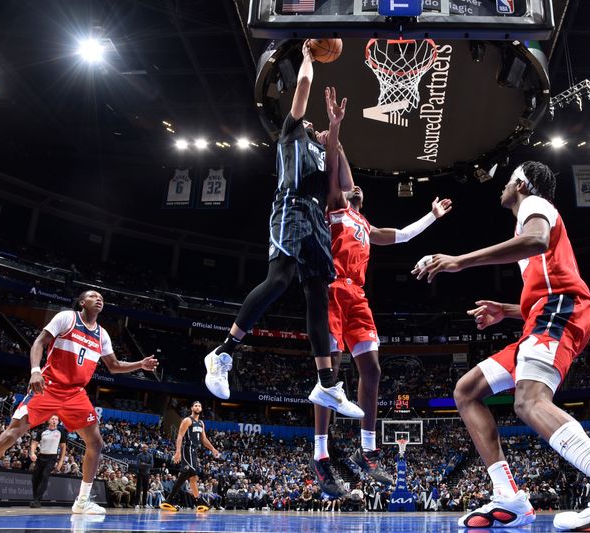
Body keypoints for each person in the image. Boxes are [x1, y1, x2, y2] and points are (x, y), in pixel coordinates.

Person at [413, 161, 590, 530]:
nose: (502, 188)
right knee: (467, 391)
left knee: (529, 401)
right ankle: (509, 498)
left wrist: (459, 262)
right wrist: (508, 310)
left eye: (507, 182)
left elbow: (536, 242)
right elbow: (542, 283)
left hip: (561, 308)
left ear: (520, 183)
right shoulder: (528, 220)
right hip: (542, 315)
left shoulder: (535, 205)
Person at [202, 40, 362, 422]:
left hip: (316, 220)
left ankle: (326, 384)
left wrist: (336, 135)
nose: (314, 124)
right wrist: (307, 58)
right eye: (313, 122)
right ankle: (223, 352)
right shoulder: (291, 134)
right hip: (289, 207)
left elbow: (345, 190)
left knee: (317, 296)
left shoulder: (325, 152)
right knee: (279, 279)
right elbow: (303, 90)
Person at [311, 184, 453, 495]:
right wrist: (335, 137)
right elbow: (337, 172)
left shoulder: (366, 225)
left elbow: (403, 234)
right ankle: (320, 454)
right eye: (351, 188)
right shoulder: (335, 212)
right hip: (332, 288)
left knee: (372, 370)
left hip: (358, 296)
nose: (357, 188)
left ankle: (368, 451)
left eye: (360, 189)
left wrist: (432, 215)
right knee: (330, 373)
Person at [0, 289, 158, 514]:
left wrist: (140, 364)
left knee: (96, 443)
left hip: (75, 394)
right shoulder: (67, 318)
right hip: (48, 386)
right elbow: (39, 342)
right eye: (93, 296)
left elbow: (114, 366)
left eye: (101, 298)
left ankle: (81, 501)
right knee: (12, 434)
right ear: (82, 302)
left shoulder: (102, 334)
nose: (99, 299)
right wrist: (34, 370)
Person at [160, 401, 220, 513]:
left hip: (194, 451)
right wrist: (177, 452)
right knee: (188, 472)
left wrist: (213, 449)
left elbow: (204, 440)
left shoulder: (201, 423)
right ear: (192, 408)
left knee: (193, 477)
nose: (197, 407)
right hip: (187, 449)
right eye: (195, 405)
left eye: (199, 405)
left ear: (201, 409)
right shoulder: (187, 420)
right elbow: (180, 436)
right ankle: (170, 499)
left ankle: (197, 501)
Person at [29, 414, 67, 508]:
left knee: (45, 475)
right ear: (48, 420)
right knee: (35, 478)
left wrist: (60, 462)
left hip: (52, 457)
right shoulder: (42, 431)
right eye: (52, 419)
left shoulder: (60, 432)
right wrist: (32, 453)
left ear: (58, 422)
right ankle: (35, 499)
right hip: (41, 456)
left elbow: (63, 447)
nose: (54, 420)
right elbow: (34, 443)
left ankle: (37, 500)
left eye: (56, 419)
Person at [135, 443, 154, 509]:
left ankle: (144, 504)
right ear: (142, 448)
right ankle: (137, 504)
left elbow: (151, 465)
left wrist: (143, 464)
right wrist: (147, 464)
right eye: (143, 447)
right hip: (140, 473)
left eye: (146, 447)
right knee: (138, 489)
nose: (145, 448)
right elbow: (137, 465)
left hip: (147, 474)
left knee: (146, 489)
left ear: (148, 448)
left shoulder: (150, 455)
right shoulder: (139, 455)